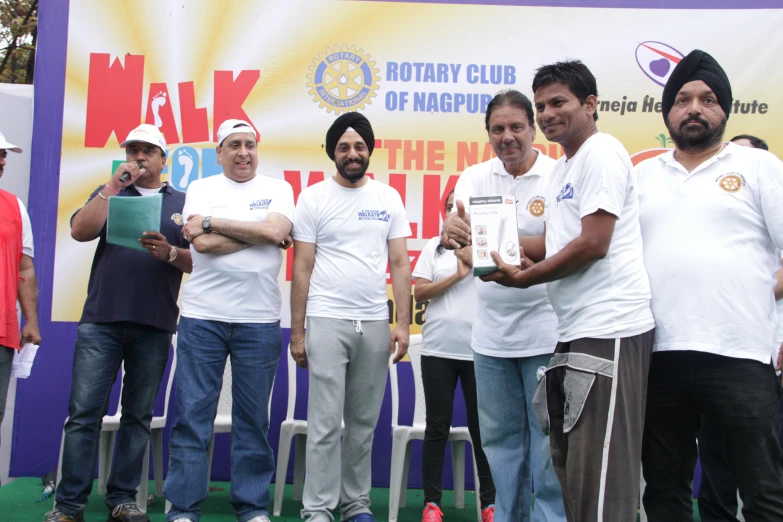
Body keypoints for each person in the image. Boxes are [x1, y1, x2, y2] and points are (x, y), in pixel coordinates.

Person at [448, 61, 655, 521]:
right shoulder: (569, 166)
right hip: (574, 331)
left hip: (610, 328)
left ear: (591, 104)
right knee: (578, 466)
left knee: (599, 476)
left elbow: (594, 244)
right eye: (542, 105)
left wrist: (524, 276)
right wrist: (490, 244)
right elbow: (555, 244)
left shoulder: (600, 152)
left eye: (556, 103)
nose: (548, 114)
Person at [635, 50, 783, 520]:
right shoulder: (641, 177)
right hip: (658, 354)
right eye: (682, 99)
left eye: (708, 99)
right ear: (667, 111)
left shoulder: (761, 167)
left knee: (763, 490)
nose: (694, 107)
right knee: (664, 489)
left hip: (741, 354)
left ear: (725, 109)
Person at [49, 124, 191, 522]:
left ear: (164, 159)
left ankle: (122, 499)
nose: (140, 157)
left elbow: (199, 262)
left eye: (149, 151)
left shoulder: (184, 201)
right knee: (84, 414)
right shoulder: (109, 193)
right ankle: (68, 504)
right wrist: (112, 186)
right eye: (133, 150)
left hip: (155, 323)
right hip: (102, 321)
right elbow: (80, 231)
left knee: (137, 416)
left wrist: (168, 253)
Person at [441, 90, 565, 522]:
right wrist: (457, 236)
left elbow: (563, 245)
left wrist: (487, 246)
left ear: (533, 129)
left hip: (545, 332)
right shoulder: (474, 177)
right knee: (500, 442)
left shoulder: (557, 174)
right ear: (488, 134)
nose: (508, 137)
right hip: (490, 337)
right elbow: (460, 243)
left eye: (516, 127)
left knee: (549, 444)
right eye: (498, 129)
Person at [164, 119, 294, 522]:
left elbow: (276, 231)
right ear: (219, 152)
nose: (243, 152)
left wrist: (214, 222)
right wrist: (260, 233)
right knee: (192, 416)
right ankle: (183, 507)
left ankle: (252, 506)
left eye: (250, 144)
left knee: (253, 419)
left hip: (259, 320)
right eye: (234, 145)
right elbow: (200, 244)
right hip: (203, 317)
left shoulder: (279, 188)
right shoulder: (201, 188)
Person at [291, 112, 411, 522]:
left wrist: (401, 325)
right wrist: (297, 333)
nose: (353, 153)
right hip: (326, 320)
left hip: (375, 323)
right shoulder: (313, 198)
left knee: (363, 424)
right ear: (332, 152)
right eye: (344, 147)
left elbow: (398, 263)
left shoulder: (388, 198)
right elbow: (301, 268)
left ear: (370, 149)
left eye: (359, 145)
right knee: (324, 424)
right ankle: (318, 509)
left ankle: (356, 505)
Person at [698, 132, 778, 521]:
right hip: (709, 351)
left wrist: (753, 284)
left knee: (762, 476)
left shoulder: (769, 197)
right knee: (715, 467)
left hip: (760, 354)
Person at [413, 190, 496, 522]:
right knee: (437, 427)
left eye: (460, 208)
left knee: (483, 429)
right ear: (444, 213)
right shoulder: (433, 248)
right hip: (438, 351)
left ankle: (490, 505)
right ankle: (432, 504)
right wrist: (457, 276)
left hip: (481, 349)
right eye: (449, 207)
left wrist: (475, 262)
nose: (455, 213)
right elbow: (419, 292)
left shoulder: (490, 247)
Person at [0, 131, 40, 475]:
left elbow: (24, 266)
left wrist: (31, 320)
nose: (1, 160)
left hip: (3, 330)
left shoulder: (14, 206)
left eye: (3, 154)